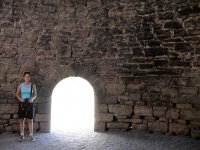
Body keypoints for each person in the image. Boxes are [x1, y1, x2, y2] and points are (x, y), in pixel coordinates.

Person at [15, 72, 37, 142]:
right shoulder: (21, 85)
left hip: (29, 104)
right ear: (23, 77)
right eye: (26, 77)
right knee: (21, 120)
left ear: (29, 78)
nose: (27, 78)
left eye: (28, 77)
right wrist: (20, 99)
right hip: (22, 104)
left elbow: (35, 94)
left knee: (30, 120)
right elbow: (16, 94)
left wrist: (32, 99)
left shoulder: (33, 85)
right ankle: (22, 135)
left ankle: (31, 135)